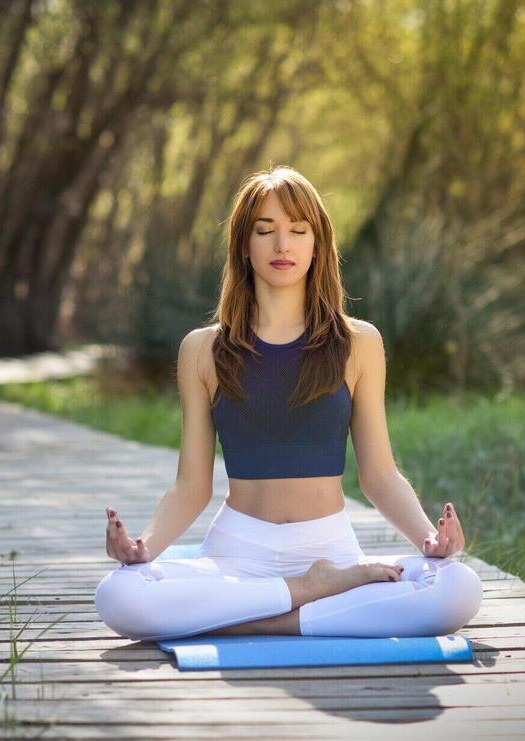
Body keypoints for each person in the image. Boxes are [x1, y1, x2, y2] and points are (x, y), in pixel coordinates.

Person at [94, 166, 482, 642]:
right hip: (238, 552)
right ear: (243, 244)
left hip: (330, 548)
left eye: (298, 231)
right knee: (117, 597)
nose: (283, 246)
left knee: (459, 588)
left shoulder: (359, 343)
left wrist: (429, 540)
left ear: (318, 245)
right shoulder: (201, 349)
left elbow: (379, 475)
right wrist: (143, 547)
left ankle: (250, 617)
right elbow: (191, 487)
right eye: (266, 231)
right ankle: (308, 594)